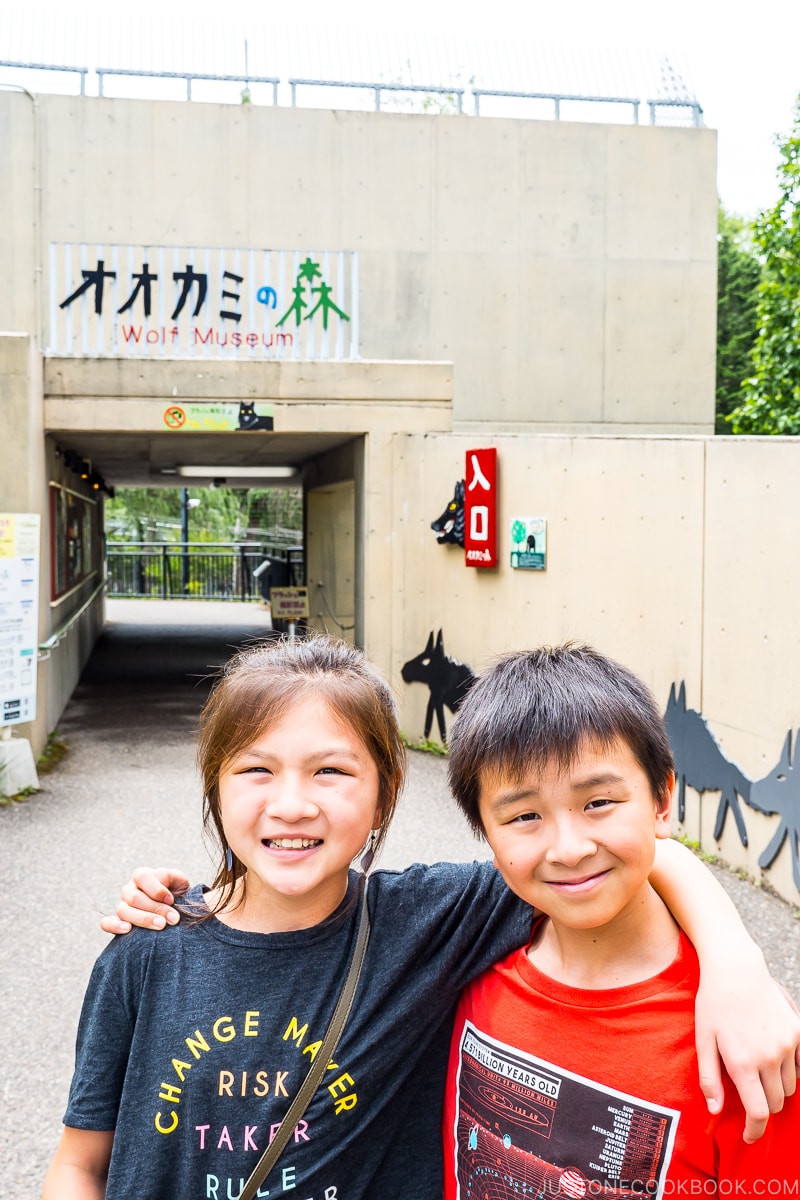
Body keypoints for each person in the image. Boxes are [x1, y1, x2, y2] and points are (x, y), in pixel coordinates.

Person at [56, 638, 799, 1200]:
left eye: (332, 771)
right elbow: (78, 1163)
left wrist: (736, 963)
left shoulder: (431, 923)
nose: (290, 804)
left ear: (385, 795)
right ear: (214, 786)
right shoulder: (147, 948)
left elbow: (613, 856)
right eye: (256, 769)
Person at [443, 643, 798, 1198]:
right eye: (525, 816)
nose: (568, 847)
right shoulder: (467, 974)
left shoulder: (747, 1041)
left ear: (662, 801)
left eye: (598, 802)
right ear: (487, 837)